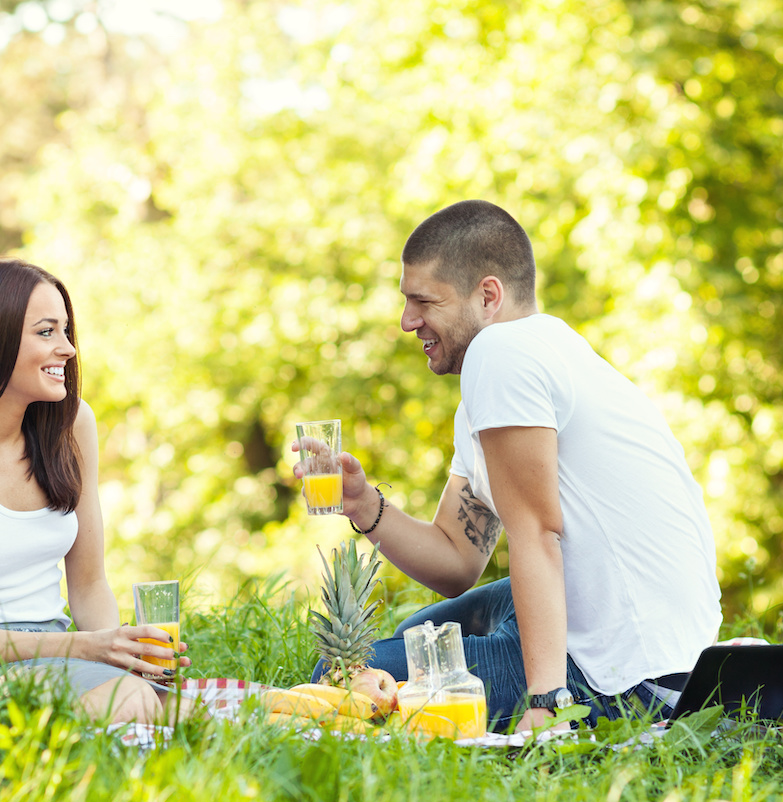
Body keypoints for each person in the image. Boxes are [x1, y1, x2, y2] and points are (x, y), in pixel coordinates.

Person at [299, 200, 722, 733]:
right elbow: (456, 561)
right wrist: (362, 505)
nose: (408, 322)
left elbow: (538, 532)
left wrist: (547, 705)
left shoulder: (502, 355)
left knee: (340, 682)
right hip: (608, 625)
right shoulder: (538, 354)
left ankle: (559, 696)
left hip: (620, 675)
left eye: (423, 301)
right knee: (372, 664)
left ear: (488, 296)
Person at [0, 257, 194, 725]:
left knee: (190, 711)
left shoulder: (72, 426)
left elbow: (89, 585)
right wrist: (89, 649)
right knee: (132, 704)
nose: (68, 349)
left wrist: (123, 653)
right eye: (47, 332)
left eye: (66, 332)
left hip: (66, 654)